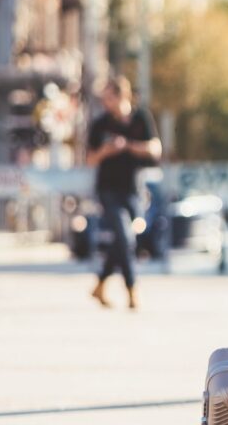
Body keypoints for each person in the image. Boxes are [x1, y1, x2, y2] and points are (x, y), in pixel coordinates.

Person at [86, 76, 161, 310]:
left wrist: (128, 146)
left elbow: (155, 149)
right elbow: (90, 159)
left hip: (134, 190)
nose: (105, 103)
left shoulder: (141, 118)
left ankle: (99, 284)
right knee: (125, 236)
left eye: (109, 97)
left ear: (122, 96)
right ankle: (132, 290)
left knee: (123, 238)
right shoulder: (100, 124)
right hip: (108, 190)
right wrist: (106, 151)